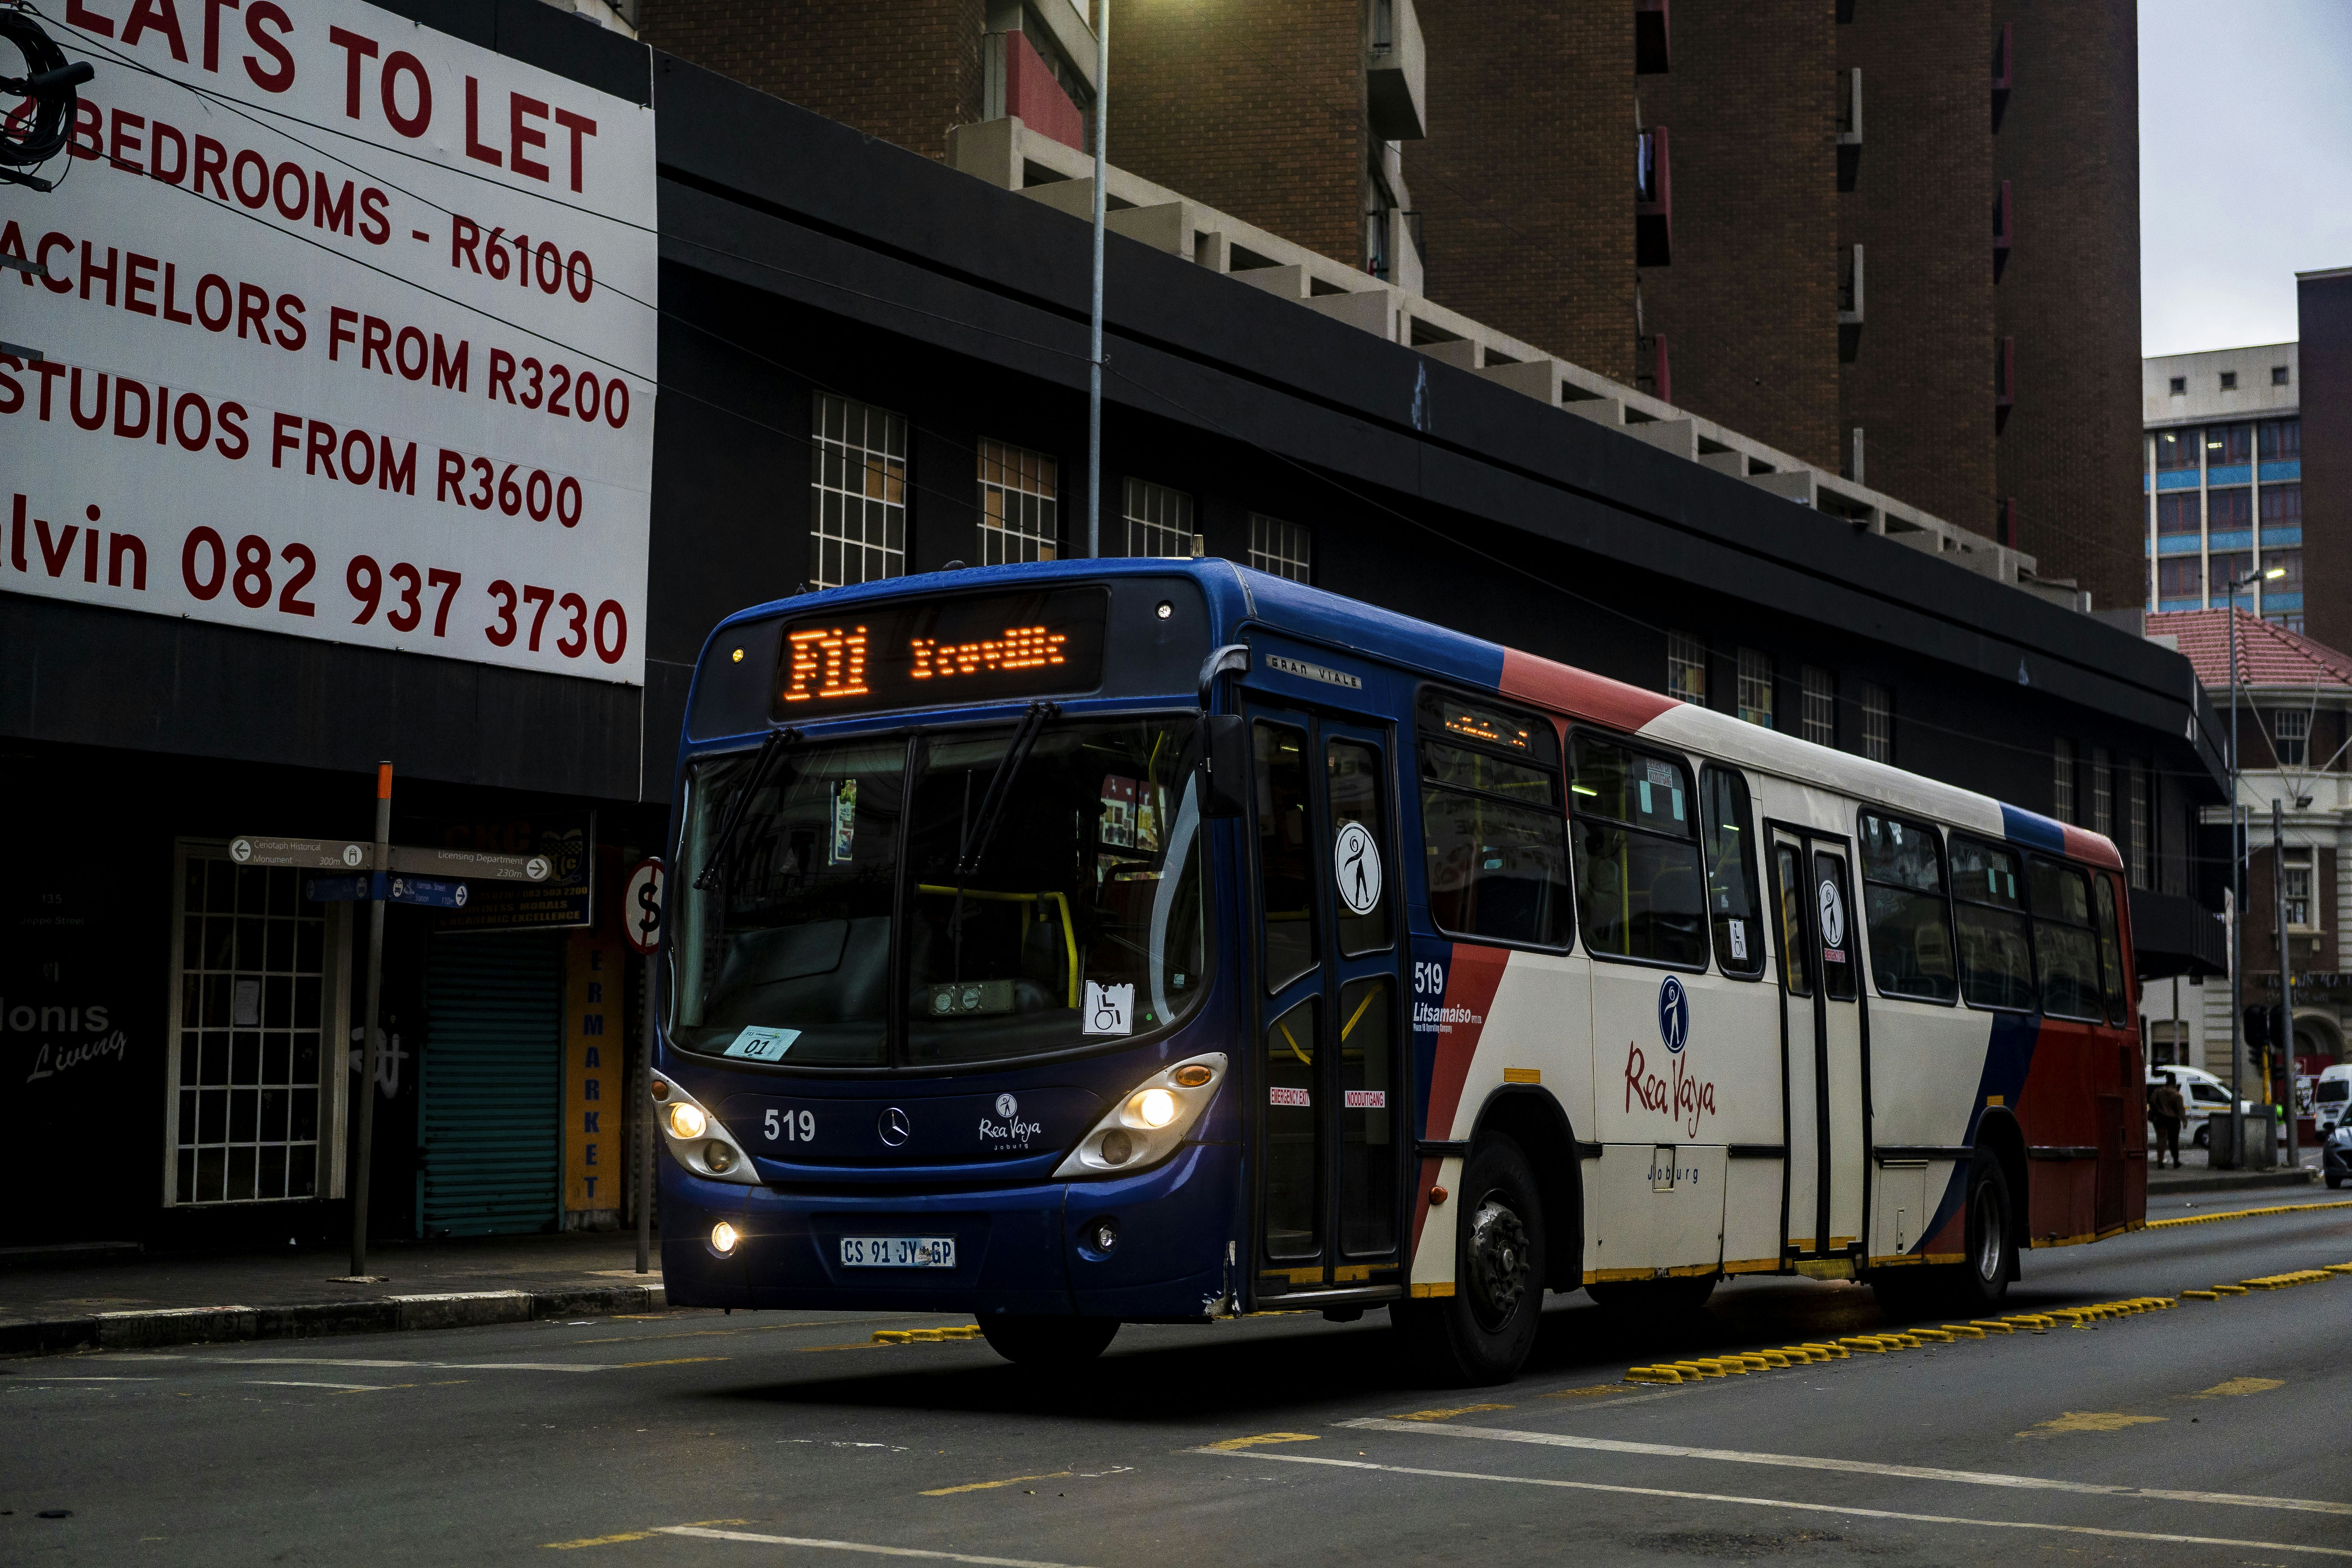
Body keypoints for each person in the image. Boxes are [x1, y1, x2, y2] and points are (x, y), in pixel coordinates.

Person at [2150, 1074, 2187, 1169]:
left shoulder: (2158, 1091)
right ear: (2175, 1084)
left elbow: (2152, 1101)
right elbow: (2181, 1110)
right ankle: (2176, 1162)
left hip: (2160, 1119)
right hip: (2173, 1121)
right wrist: (2184, 1121)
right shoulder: (2177, 1095)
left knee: (2161, 1141)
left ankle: (2160, 1162)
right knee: (2174, 1141)